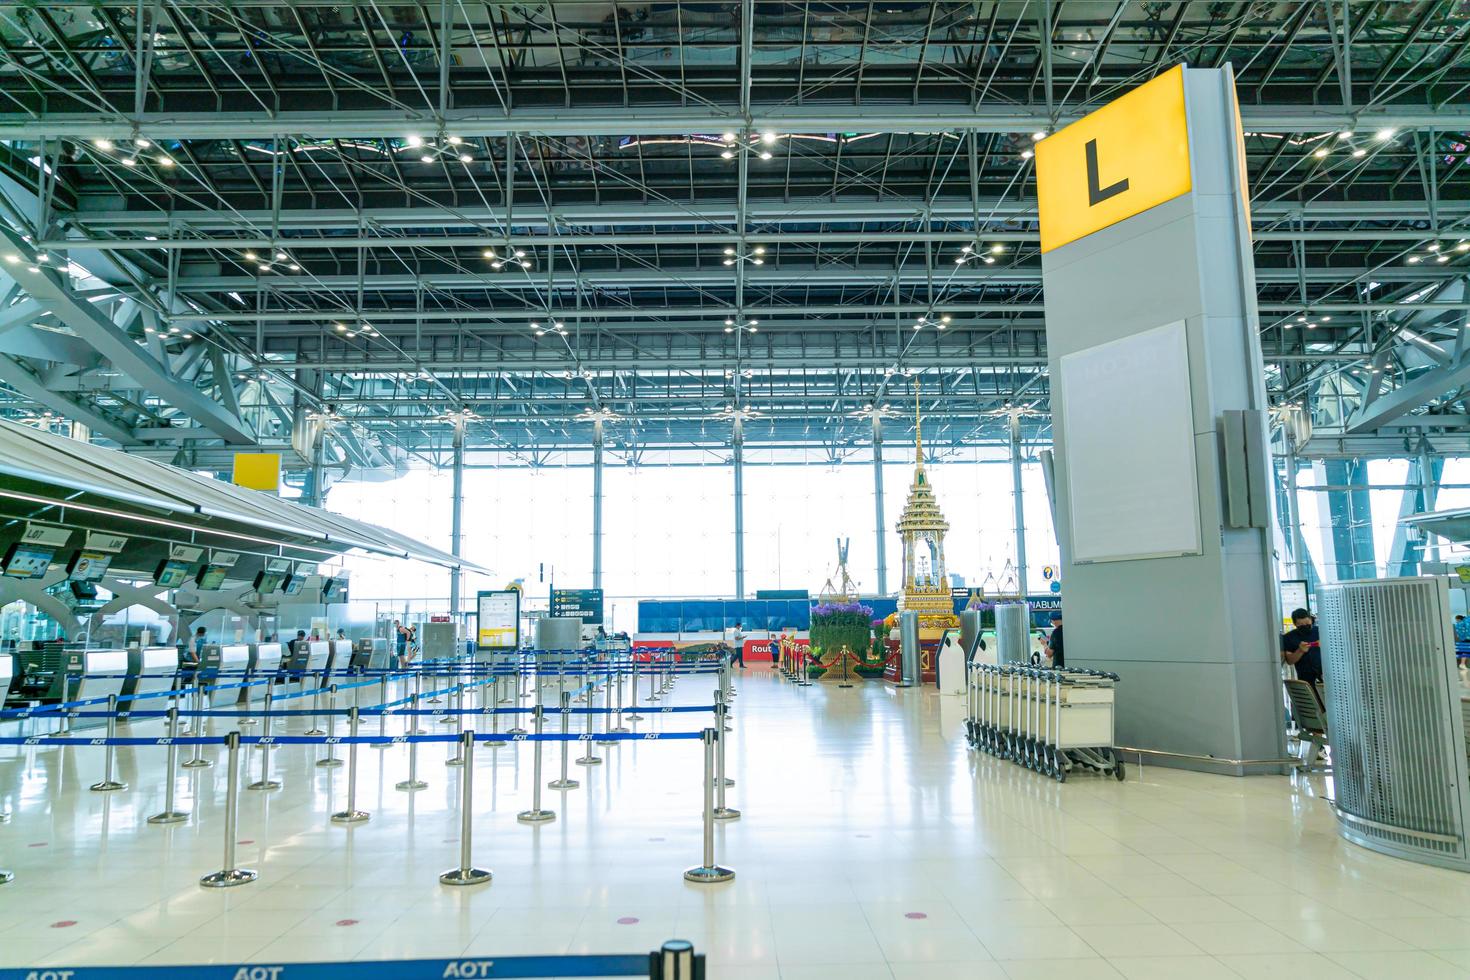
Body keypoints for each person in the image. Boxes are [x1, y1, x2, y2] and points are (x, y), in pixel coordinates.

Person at [1281, 608, 1323, 687]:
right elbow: (1290, 661)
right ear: (1295, 624)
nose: (1305, 626)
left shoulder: (1321, 631)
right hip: (1305, 678)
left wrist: (1326, 646)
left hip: (1325, 675)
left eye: (1307, 623)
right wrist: (1300, 650)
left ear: (1311, 620)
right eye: (1301, 625)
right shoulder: (1289, 637)